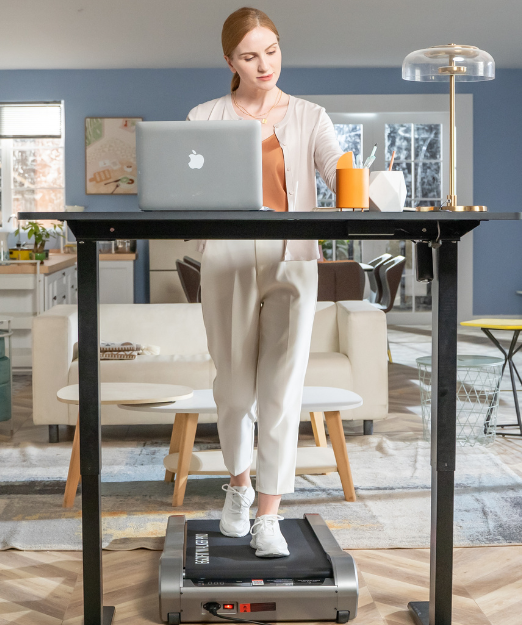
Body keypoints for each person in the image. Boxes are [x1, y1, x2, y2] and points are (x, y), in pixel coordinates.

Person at [186, 6, 343, 558]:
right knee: (233, 387)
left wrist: (367, 186)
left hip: (291, 260)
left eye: (271, 50)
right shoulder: (204, 117)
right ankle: (238, 484)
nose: (264, 64)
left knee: (281, 390)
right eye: (250, 56)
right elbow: (188, 192)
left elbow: (336, 169)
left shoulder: (308, 115)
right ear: (229, 60)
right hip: (227, 259)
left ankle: (270, 515)